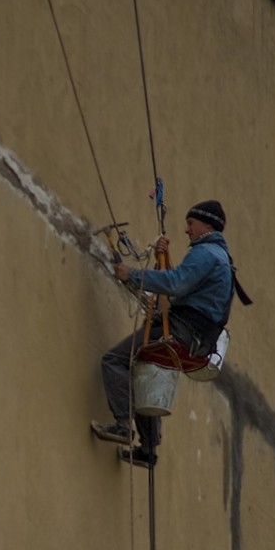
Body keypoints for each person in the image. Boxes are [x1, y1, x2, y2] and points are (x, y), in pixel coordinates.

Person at [91, 200, 235, 468]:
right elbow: (183, 288)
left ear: (207, 225)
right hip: (198, 342)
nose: (187, 230)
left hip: (181, 330)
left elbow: (176, 284)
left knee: (114, 360)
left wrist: (132, 274)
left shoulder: (205, 253)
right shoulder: (222, 258)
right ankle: (148, 449)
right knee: (141, 370)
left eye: (191, 224)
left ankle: (123, 427)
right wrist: (163, 260)